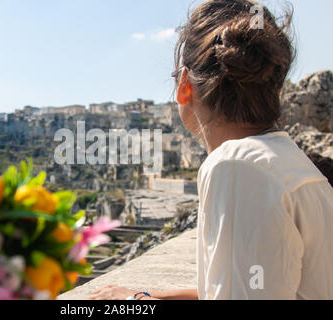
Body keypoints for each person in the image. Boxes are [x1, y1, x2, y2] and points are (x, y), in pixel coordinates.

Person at [88, 0, 333, 300]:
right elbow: (245, 287)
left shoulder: (239, 168)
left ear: (184, 86)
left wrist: (129, 304)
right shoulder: (285, 161)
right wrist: (144, 298)